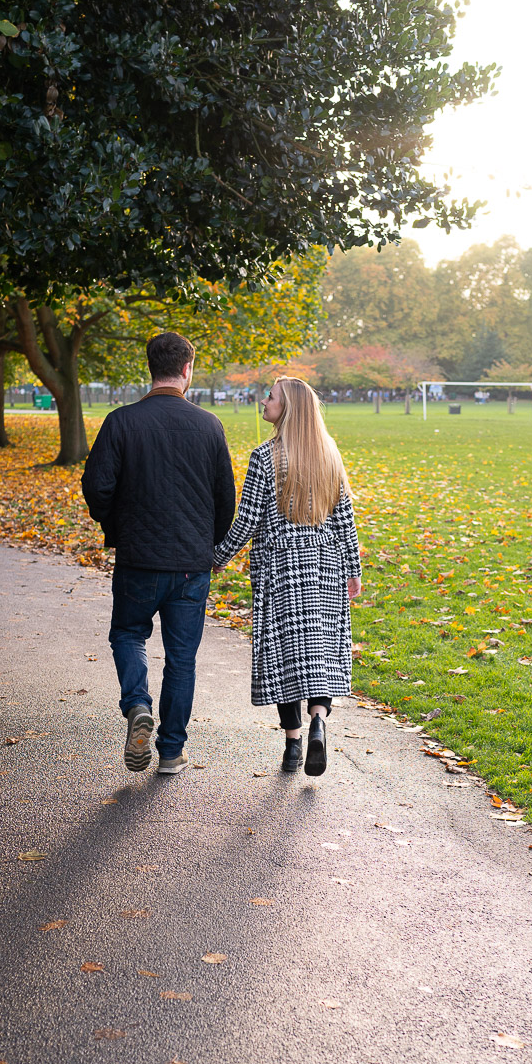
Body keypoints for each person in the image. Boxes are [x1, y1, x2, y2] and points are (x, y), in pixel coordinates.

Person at [81, 332, 236, 776]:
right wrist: (208, 543)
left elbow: (97, 487)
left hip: (138, 558)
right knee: (181, 658)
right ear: (188, 369)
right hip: (190, 563)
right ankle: (171, 750)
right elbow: (226, 497)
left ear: (150, 368)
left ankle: (137, 704)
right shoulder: (209, 425)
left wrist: (116, 526)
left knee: (129, 635)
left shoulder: (121, 421)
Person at [212, 377, 361, 776]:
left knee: (285, 656)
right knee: (320, 652)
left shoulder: (265, 456)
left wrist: (216, 558)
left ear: (288, 408)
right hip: (327, 564)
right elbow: (345, 519)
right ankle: (319, 721)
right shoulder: (329, 453)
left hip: (281, 566)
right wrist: (353, 570)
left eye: (271, 397)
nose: (264, 400)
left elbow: (247, 520)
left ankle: (294, 744)